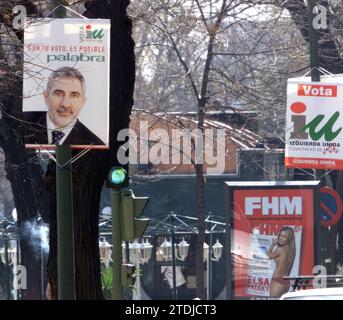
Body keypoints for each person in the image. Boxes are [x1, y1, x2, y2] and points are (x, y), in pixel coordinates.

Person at [25, 66, 105, 146]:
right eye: (58, 94)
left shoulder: (95, 144)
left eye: (74, 95)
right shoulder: (20, 122)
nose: (65, 104)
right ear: (46, 97)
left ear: (83, 102)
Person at [266, 226, 296, 298]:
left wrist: (273, 244)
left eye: (284, 237)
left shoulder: (281, 249)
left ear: (288, 239)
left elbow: (268, 256)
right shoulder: (292, 250)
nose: (280, 238)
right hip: (286, 282)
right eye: (280, 235)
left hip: (277, 281)